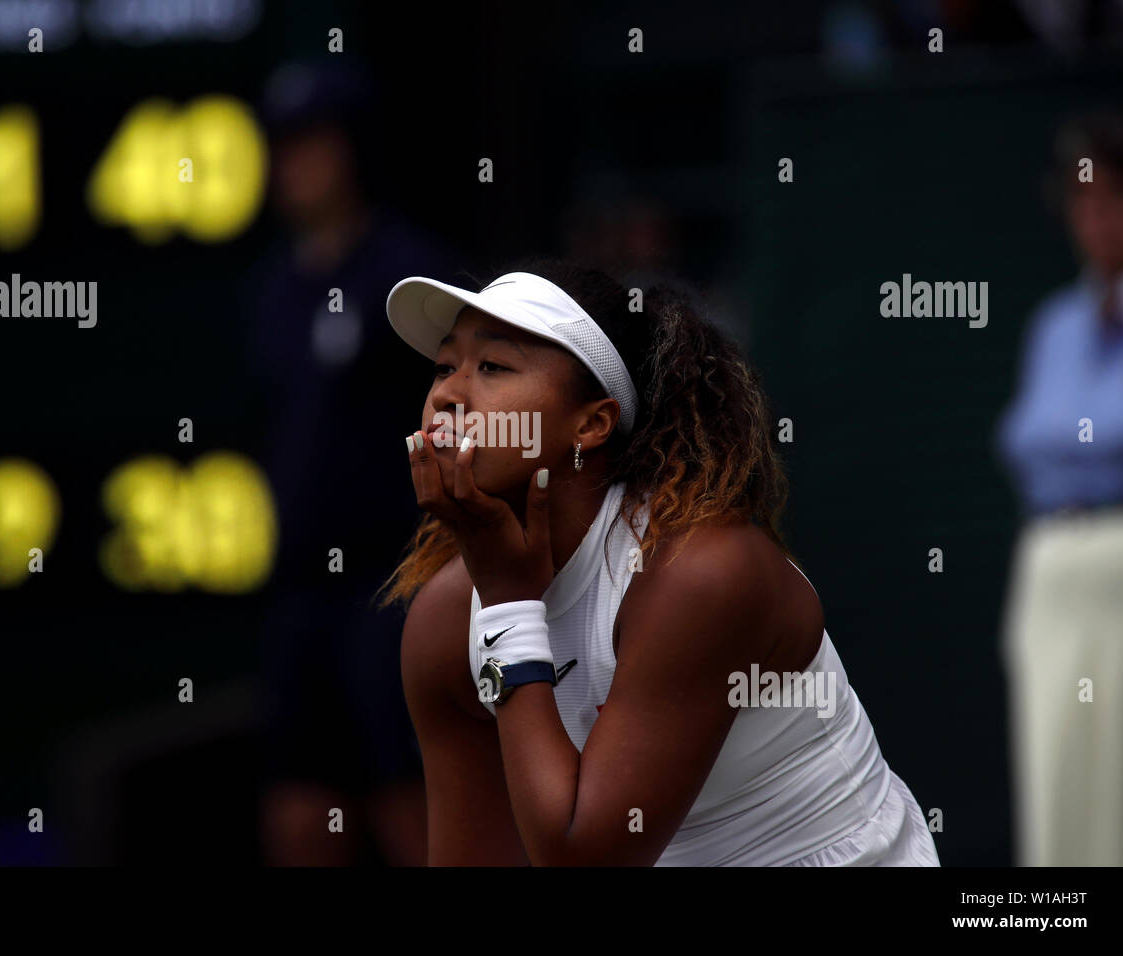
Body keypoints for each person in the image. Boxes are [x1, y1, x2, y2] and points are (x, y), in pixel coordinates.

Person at [379, 257, 941, 866]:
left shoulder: (701, 574)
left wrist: (510, 608)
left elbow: (582, 859)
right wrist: (501, 605)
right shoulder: (442, 624)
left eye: (492, 366)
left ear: (592, 425)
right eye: (442, 367)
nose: (447, 395)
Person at [244, 58, 459, 865]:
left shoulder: (413, 276)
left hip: (398, 586)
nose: (294, 165)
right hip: (298, 596)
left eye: (313, 143)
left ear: (355, 150)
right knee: (299, 814)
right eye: (282, 146)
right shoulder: (271, 292)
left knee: (410, 804)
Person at [995, 110, 1123, 866]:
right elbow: (1035, 445)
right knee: (1057, 790)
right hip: (1052, 569)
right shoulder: (1054, 326)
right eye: (1084, 200)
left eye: (1115, 196)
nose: (1098, 218)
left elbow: (1080, 436)